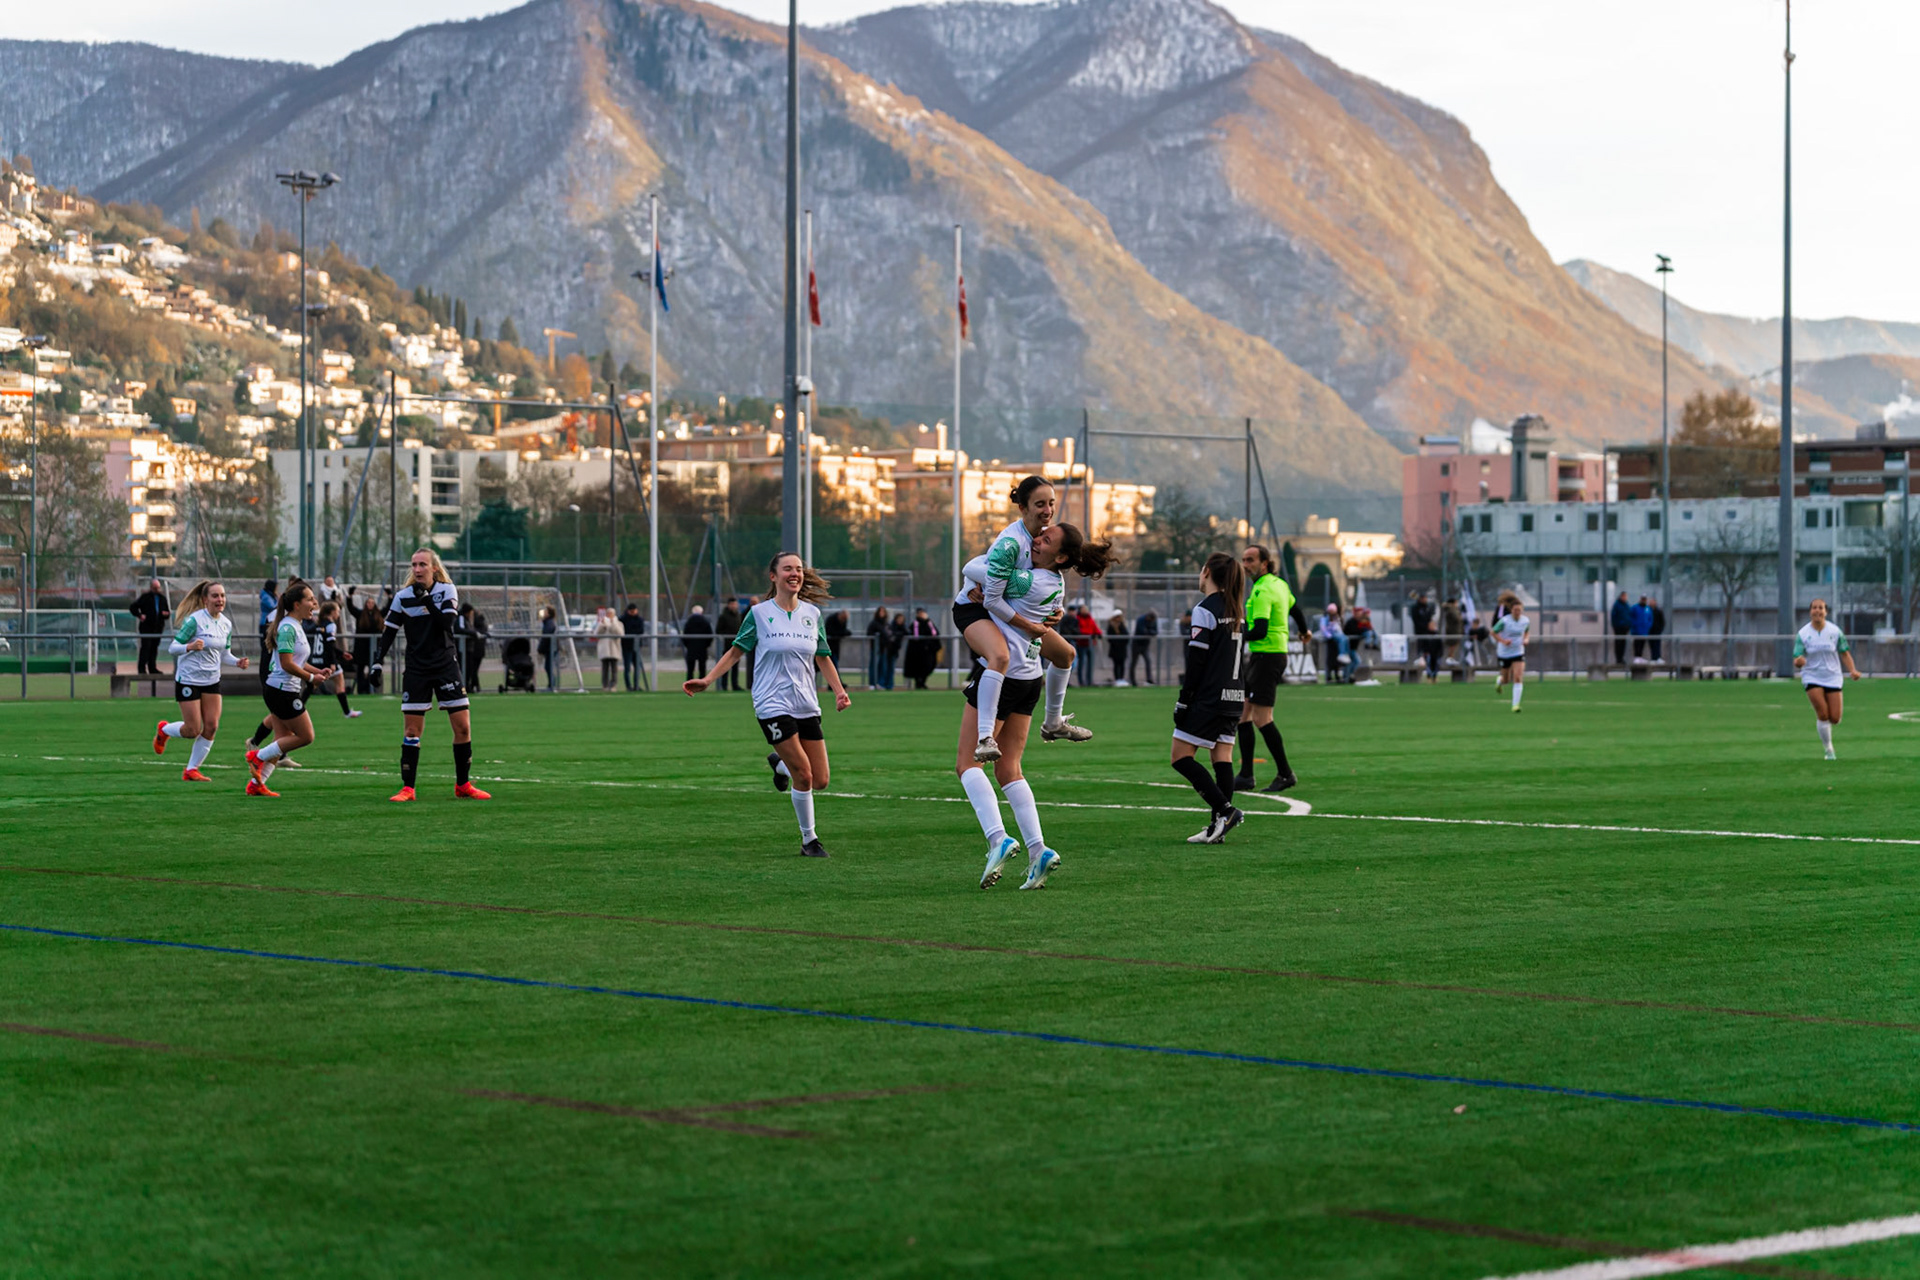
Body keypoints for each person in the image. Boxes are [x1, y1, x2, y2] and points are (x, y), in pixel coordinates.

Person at [957, 521, 1115, 889]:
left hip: (1004, 675)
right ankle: (1038, 850)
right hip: (1030, 676)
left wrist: (988, 581)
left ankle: (998, 839)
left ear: (1060, 556)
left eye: (1046, 540)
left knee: (967, 764)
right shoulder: (1055, 583)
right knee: (1009, 769)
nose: (1037, 539)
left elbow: (974, 569)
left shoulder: (1029, 579)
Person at [684, 552, 850, 858]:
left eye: (799, 569)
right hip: (771, 702)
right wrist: (707, 680)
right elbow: (736, 651)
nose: (795, 573)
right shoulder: (760, 614)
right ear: (773, 576)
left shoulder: (812, 615)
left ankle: (779, 763)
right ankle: (809, 840)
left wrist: (839, 691)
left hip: (806, 703)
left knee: (821, 779)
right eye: (788, 568)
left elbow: (823, 656)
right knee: (804, 776)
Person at [953, 475, 1091, 763]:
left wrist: (1058, 610)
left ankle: (1053, 722)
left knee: (1065, 654)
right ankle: (985, 737)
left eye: (1051, 503)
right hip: (975, 607)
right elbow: (977, 572)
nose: (1047, 510)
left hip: (1001, 604)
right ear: (1023, 508)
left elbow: (1040, 586)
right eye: (1040, 504)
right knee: (1000, 657)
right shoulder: (1013, 540)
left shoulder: (1042, 539)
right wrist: (1027, 624)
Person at [368, 548, 491, 802]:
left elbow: (446, 624)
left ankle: (463, 785)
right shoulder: (402, 597)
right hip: (417, 669)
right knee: (412, 731)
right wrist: (377, 663)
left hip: (446, 666)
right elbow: (388, 632)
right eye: (414, 564)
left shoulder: (447, 590)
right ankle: (408, 789)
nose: (417, 569)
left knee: (463, 728)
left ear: (434, 568)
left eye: (422, 564)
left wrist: (426, 600)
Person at [1171, 552, 1248, 844]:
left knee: (1180, 757)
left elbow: (1198, 660)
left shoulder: (1205, 609)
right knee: (1222, 756)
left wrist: (1184, 699)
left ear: (1206, 573)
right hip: (1234, 695)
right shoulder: (1237, 608)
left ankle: (1225, 811)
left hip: (1209, 697)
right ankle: (1218, 827)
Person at [150, 580, 250, 782]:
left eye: (222, 595)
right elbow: (173, 648)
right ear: (205, 600)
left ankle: (191, 770)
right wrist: (190, 646)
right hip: (189, 679)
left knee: (211, 726)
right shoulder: (194, 621)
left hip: (212, 680)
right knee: (192, 730)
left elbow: (224, 654)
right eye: (215, 596)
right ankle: (164, 730)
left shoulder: (226, 624)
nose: (220, 599)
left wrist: (237, 661)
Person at [244, 581, 337, 796]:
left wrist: (317, 671)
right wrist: (311, 678)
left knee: (281, 742)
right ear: (296, 604)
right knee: (306, 736)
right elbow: (286, 664)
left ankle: (257, 785)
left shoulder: (295, 625)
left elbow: (297, 660)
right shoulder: (287, 627)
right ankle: (257, 756)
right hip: (281, 691)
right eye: (310, 599)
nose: (315, 603)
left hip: (282, 689)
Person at [1232, 545, 1298, 793]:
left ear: (1265, 563)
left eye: (1250, 560)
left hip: (1268, 658)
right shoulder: (1279, 585)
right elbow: (1295, 607)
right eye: (1243, 559)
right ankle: (1246, 775)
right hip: (1263, 657)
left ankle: (1285, 773)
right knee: (1243, 714)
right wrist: (1303, 630)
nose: (1245, 564)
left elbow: (1259, 630)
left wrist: (1231, 634)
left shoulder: (1262, 590)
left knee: (1261, 718)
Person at [1794, 597, 1860, 760]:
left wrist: (1852, 670)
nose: (1817, 611)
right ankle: (1828, 749)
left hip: (1832, 676)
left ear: (1826, 612)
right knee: (1823, 714)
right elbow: (1797, 657)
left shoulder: (1834, 631)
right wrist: (1799, 661)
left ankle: (1828, 739)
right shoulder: (1803, 634)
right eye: (1814, 608)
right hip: (1812, 676)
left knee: (1835, 718)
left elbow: (1844, 653)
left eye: (1821, 608)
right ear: (1810, 612)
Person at [315, 599, 362, 718]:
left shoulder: (320, 624)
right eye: (337, 611)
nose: (338, 614)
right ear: (331, 612)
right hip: (326, 659)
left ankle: (295, 709)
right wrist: (332, 662)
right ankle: (347, 712)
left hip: (316, 658)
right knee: (339, 681)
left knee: (312, 685)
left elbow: (327, 644)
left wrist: (341, 653)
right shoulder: (331, 625)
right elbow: (329, 646)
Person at [1491, 595, 1531, 713]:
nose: (1517, 612)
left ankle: (1515, 705)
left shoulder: (1525, 620)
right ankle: (1500, 681)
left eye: (1519, 610)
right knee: (1506, 680)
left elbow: (1527, 631)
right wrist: (1503, 641)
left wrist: (1526, 639)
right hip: (1504, 652)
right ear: (1511, 610)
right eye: (1515, 610)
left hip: (1518, 651)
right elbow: (1493, 632)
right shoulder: (1505, 621)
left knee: (1518, 677)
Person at [130, 578, 171, 676]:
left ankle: (152, 668)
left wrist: (165, 614)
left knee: (154, 648)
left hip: (158, 628)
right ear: (151, 587)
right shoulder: (145, 597)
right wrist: (140, 615)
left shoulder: (162, 598)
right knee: (145, 648)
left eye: (158, 588)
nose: (157, 589)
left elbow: (167, 612)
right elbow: (133, 607)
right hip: (146, 628)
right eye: (155, 587)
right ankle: (142, 669)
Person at [349, 588, 383, 693]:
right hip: (361, 647)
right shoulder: (361, 615)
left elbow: (387, 609)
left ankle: (374, 689)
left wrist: (390, 597)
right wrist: (350, 596)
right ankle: (361, 689)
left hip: (374, 647)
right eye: (368, 602)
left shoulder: (378, 615)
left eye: (372, 602)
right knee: (360, 669)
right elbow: (351, 608)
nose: (370, 604)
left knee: (374, 668)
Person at [903, 607, 941, 689]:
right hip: (918, 651)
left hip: (929, 650)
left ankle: (923, 681)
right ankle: (919, 682)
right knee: (917, 667)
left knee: (929, 665)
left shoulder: (930, 623)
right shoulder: (915, 624)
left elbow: (935, 633)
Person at [458, 601, 489, 695]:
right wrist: (474, 633)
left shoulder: (468, 620)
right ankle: (466, 687)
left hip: (469, 649)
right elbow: (460, 629)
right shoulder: (461, 618)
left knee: (469, 669)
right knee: (465, 669)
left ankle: (469, 687)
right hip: (464, 649)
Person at [1317, 603, 1352, 684]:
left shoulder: (1338, 618)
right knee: (1331, 660)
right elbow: (1323, 628)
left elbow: (1340, 628)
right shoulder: (1325, 619)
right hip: (1331, 642)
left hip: (1337, 644)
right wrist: (1328, 635)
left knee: (1345, 639)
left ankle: (1343, 655)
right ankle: (1329, 676)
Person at [1410, 591, 1440, 681]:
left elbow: (1430, 618)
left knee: (1432, 655)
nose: (1425, 600)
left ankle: (1432, 675)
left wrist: (1430, 627)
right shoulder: (1415, 608)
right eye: (1423, 598)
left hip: (1429, 635)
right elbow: (1417, 621)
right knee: (1423, 654)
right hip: (1421, 633)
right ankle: (1425, 671)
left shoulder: (1428, 607)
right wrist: (1425, 626)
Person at [714, 599, 744, 690]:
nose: (734, 606)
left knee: (735, 665)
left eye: (735, 604)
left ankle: (735, 685)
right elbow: (718, 630)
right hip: (727, 645)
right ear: (728, 605)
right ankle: (724, 685)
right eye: (732, 604)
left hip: (737, 645)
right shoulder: (723, 616)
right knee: (725, 665)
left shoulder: (739, 616)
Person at [593, 606, 622, 690]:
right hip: (604, 649)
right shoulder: (602, 623)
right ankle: (605, 685)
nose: (609, 615)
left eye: (611, 613)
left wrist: (613, 624)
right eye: (608, 613)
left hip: (614, 649)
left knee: (614, 669)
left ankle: (613, 685)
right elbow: (596, 634)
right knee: (605, 669)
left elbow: (620, 633)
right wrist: (602, 625)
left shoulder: (618, 623)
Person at [1071, 605, 1102, 686]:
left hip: (1090, 644)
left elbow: (1095, 628)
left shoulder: (1090, 618)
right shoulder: (1077, 619)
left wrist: (1098, 634)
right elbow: (1080, 630)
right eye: (1083, 609)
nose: (1085, 611)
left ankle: (1090, 681)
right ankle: (1081, 681)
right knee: (1081, 663)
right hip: (1081, 644)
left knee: (1090, 663)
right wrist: (1089, 634)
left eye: (1086, 609)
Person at [682, 605, 714, 680]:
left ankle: (689, 683)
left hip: (691, 648)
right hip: (702, 648)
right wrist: (706, 645)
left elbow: (685, 635)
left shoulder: (689, 622)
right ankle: (701, 684)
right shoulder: (705, 622)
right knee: (702, 668)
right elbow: (710, 635)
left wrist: (688, 645)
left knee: (690, 669)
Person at [865, 606, 892, 690]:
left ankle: (881, 683)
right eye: (880, 612)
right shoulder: (874, 623)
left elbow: (889, 633)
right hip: (875, 648)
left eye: (883, 612)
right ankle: (872, 683)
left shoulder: (886, 624)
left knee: (883, 666)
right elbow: (869, 633)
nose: (881, 613)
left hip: (883, 648)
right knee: (873, 665)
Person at [1130, 609, 1158, 685]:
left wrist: (1148, 632)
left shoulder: (1153, 621)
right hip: (1137, 644)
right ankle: (1132, 680)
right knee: (1134, 662)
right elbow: (1142, 631)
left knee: (1148, 661)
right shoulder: (1141, 619)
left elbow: (1155, 632)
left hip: (1145, 645)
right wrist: (1149, 632)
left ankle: (1149, 679)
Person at [620, 603, 644, 690]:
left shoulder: (640, 619)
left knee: (637, 668)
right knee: (627, 668)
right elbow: (625, 630)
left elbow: (640, 630)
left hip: (637, 646)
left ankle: (636, 685)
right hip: (627, 646)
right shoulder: (623, 619)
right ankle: (628, 686)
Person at [1106, 610, 1131, 686]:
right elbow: (1110, 638)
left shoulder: (1123, 625)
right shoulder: (1111, 626)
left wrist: (1123, 642)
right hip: (1115, 649)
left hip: (1122, 649)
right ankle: (1117, 679)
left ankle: (1121, 679)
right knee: (1116, 664)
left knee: (1122, 664)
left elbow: (1126, 636)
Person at [537, 606, 558, 691]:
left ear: (548, 613)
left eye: (545, 611)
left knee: (548, 667)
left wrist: (540, 649)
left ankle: (552, 686)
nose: (543, 613)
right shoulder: (547, 622)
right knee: (548, 667)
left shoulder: (549, 623)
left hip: (550, 649)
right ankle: (551, 685)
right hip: (549, 649)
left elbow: (546, 638)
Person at [1609, 591, 1633, 664]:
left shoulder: (1626, 605)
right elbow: (1613, 616)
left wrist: (1629, 625)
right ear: (1621, 596)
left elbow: (1629, 615)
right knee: (1618, 643)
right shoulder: (1617, 605)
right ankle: (1618, 659)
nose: (1625, 598)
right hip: (1619, 627)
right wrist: (1616, 625)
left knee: (1623, 643)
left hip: (1625, 627)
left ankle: (1621, 658)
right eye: (1624, 596)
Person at [257, 579, 278, 657]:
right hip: (265, 623)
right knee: (266, 648)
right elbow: (273, 606)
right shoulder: (266, 597)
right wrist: (279, 600)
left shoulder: (271, 596)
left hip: (270, 623)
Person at [1441, 595, 1464, 667]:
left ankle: (1451, 658)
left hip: (1456, 630)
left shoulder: (1452, 609)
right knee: (1452, 645)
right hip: (1453, 630)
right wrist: (1460, 617)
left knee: (1454, 645)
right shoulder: (1452, 609)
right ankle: (1450, 658)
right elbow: (1456, 618)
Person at [1630, 595, 1653, 660]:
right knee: (1637, 644)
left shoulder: (1648, 608)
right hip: (1637, 630)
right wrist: (1635, 625)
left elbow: (1650, 619)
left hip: (1644, 631)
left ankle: (1640, 657)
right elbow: (1631, 617)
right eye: (1642, 599)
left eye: (1644, 599)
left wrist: (1648, 626)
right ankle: (1636, 657)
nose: (1643, 601)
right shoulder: (1635, 608)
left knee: (1642, 644)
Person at [1649, 596, 1667, 663]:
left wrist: (1660, 629)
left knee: (1657, 645)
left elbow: (1662, 622)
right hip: (1650, 631)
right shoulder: (1648, 610)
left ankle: (1658, 657)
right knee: (1651, 645)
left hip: (1657, 631)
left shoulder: (1659, 611)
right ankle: (1653, 658)